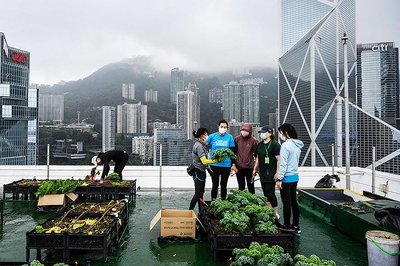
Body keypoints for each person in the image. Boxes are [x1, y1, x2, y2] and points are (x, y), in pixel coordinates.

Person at [276, 123, 304, 234]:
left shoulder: (285, 146)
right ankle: (296, 225)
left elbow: (283, 164)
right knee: (294, 202)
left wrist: (279, 179)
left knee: (286, 203)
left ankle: (287, 226)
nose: (280, 135)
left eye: (281, 132)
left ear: (286, 133)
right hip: (295, 177)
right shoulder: (297, 145)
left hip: (286, 178)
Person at [253, 126, 281, 219]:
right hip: (263, 173)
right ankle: (269, 210)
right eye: (261, 132)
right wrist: (255, 169)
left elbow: (278, 159)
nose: (262, 134)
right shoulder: (260, 145)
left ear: (270, 133)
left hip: (271, 173)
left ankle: (275, 212)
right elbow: (258, 158)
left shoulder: (275, 145)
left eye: (264, 132)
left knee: (271, 193)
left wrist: (277, 172)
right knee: (265, 193)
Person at [189, 128, 220, 210]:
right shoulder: (198, 146)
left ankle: (200, 212)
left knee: (201, 193)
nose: (207, 136)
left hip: (202, 171)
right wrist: (216, 161)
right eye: (206, 135)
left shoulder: (203, 145)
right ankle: (189, 212)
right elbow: (204, 161)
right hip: (198, 171)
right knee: (198, 193)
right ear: (202, 136)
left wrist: (209, 170)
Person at [206, 120, 235, 200]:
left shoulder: (230, 137)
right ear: (218, 126)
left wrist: (233, 164)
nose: (223, 128)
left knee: (224, 184)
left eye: (225, 127)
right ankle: (214, 201)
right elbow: (204, 145)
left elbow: (232, 151)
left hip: (226, 165)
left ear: (227, 128)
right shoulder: (212, 136)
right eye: (221, 127)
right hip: (214, 164)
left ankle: (223, 201)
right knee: (215, 184)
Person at [231, 123, 258, 194]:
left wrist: (256, 167)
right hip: (239, 166)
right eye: (242, 130)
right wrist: (233, 164)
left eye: (246, 130)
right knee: (241, 185)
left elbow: (257, 154)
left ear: (250, 131)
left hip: (250, 167)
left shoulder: (254, 140)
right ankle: (241, 201)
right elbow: (233, 152)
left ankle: (252, 201)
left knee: (251, 185)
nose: (244, 132)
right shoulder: (237, 139)